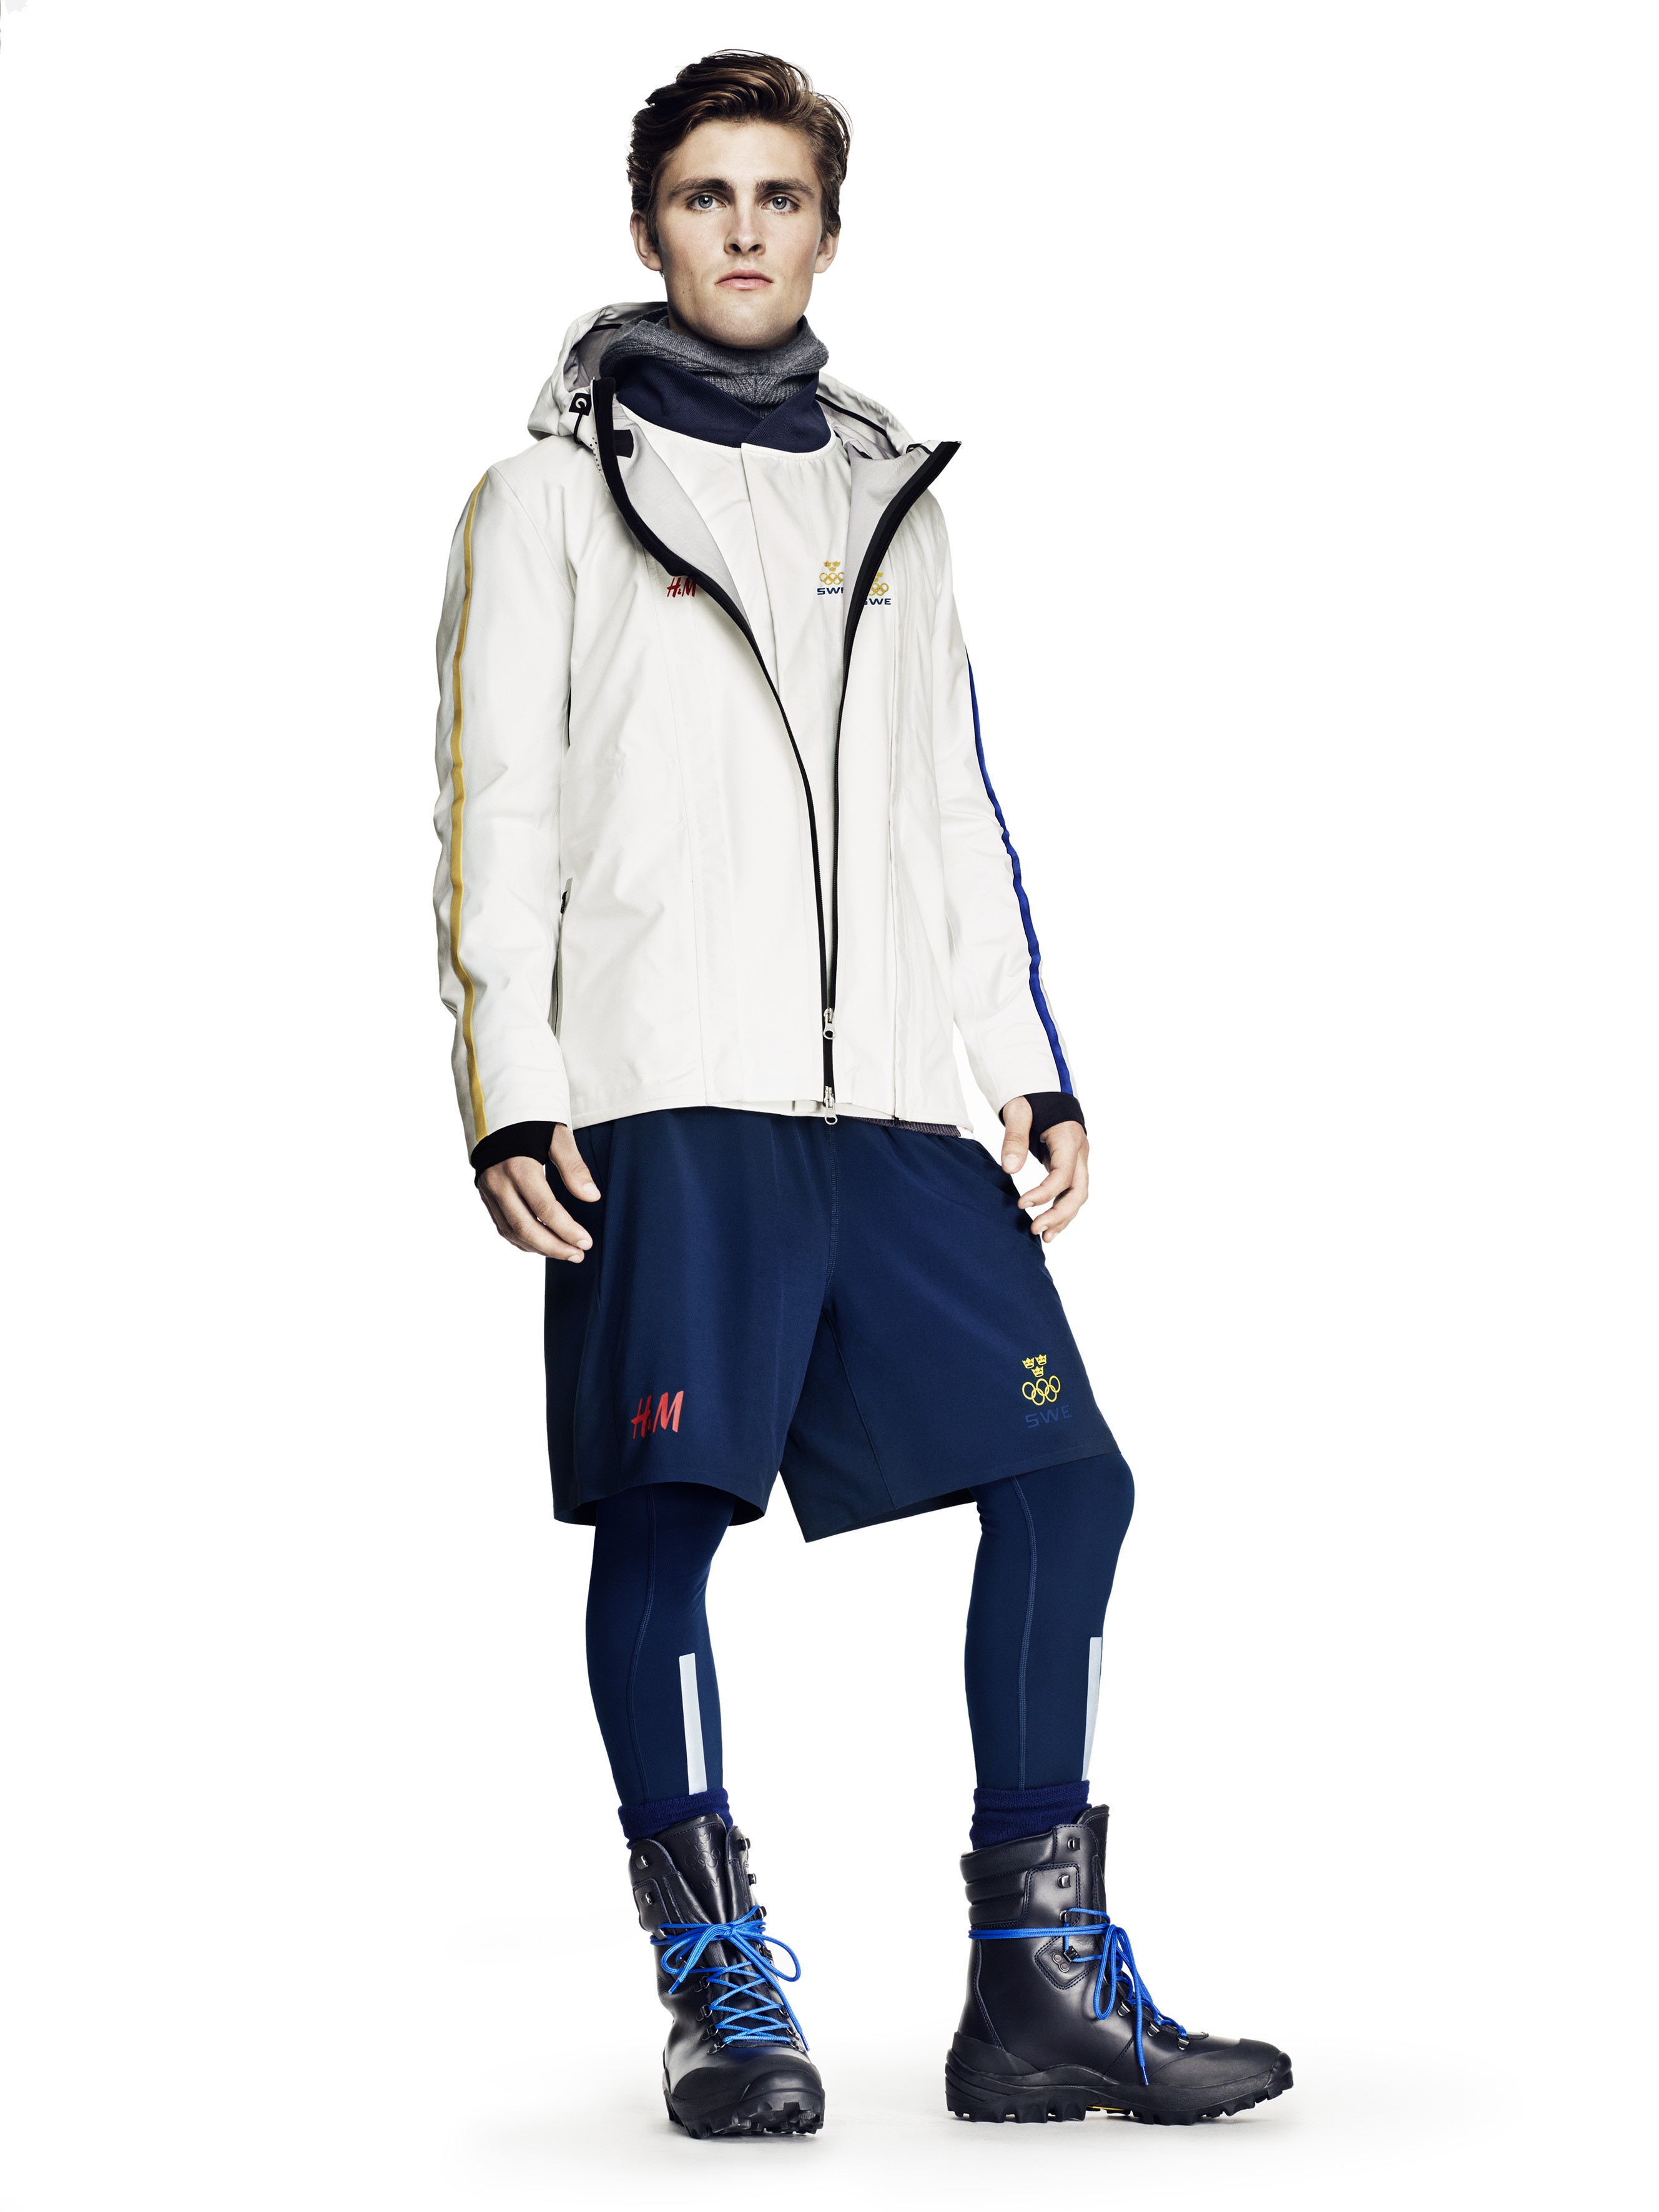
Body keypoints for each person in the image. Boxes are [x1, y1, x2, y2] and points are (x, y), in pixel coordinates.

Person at [433, 50, 1291, 2138]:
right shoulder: (546, 499)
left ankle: (1036, 1987)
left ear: (828, 229)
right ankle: (718, 1991)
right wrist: (513, 1084)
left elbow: (943, 813)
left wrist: (1022, 1066)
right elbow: (497, 809)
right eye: (704, 194)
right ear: (647, 225)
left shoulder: (889, 497)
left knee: (1067, 1481)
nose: (743, 229)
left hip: (893, 1106)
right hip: (666, 1094)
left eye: (780, 196)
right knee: (668, 1514)